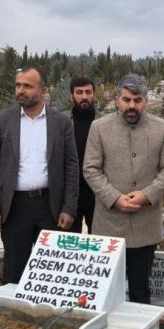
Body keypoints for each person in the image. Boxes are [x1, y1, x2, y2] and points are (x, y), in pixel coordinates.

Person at [83, 73, 164, 304]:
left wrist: (146, 195)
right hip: (109, 225)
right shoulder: (99, 128)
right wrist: (115, 198)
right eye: (126, 100)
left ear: (146, 100)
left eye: (137, 100)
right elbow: (91, 169)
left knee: (140, 291)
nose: (131, 106)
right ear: (117, 100)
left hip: (145, 224)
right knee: (105, 293)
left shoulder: (162, 128)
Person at [0, 66, 79, 284]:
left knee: (54, 271)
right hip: (14, 208)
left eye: (27, 86)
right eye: (18, 85)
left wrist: (69, 207)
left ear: (43, 89)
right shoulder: (2, 121)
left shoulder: (61, 123)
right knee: (14, 272)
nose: (21, 90)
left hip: (51, 207)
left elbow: (71, 167)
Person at [69, 76, 97, 234]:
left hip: (98, 194)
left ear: (94, 95)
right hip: (71, 194)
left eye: (88, 92)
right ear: (71, 95)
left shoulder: (105, 122)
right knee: (70, 241)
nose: (84, 96)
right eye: (79, 92)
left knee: (99, 239)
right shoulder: (62, 122)